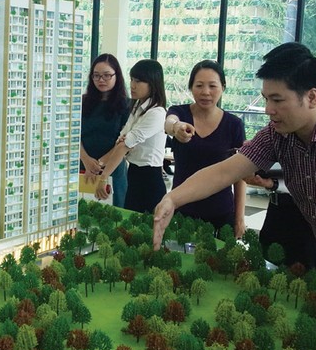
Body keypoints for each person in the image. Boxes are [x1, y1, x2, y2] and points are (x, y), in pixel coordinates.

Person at [153, 43, 316, 328]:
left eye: (277, 100)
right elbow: (224, 172)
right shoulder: (277, 135)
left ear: (311, 97)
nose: (268, 110)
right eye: (266, 99)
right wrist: (173, 198)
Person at [165, 60, 246, 236]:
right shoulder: (180, 113)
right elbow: (169, 122)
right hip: (182, 209)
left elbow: (241, 174)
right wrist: (176, 127)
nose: (205, 92)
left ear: (223, 87)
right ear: (191, 87)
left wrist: (239, 218)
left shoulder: (234, 125)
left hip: (221, 213)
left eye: (212, 86)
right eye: (199, 85)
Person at [98, 59, 167, 213]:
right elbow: (122, 139)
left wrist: (103, 177)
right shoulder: (137, 107)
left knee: (147, 225)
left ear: (153, 83)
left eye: (139, 81)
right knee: (130, 222)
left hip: (150, 177)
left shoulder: (156, 113)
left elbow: (124, 144)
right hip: (134, 173)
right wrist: (125, 143)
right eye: (132, 79)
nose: (133, 85)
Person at [80, 53, 130, 207]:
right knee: (82, 209)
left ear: (117, 76)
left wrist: (98, 165)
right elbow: (72, 135)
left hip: (112, 167)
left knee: (113, 212)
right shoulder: (82, 102)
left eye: (107, 75)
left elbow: (125, 141)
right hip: (83, 165)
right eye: (96, 76)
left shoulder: (127, 105)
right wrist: (86, 160)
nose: (101, 80)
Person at [252, 166, 316, 272]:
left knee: (304, 273)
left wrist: (275, 184)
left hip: (305, 215)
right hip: (276, 209)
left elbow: (314, 179)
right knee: (266, 265)